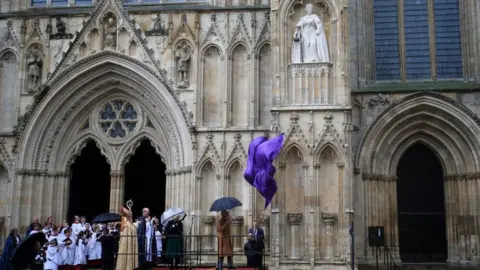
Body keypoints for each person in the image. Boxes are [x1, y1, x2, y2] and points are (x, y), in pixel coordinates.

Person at [116, 205, 138, 270]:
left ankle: (130, 265)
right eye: (128, 213)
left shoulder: (131, 223)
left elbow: (130, 216)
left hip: (131, 242)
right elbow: (122, 231)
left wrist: (129, 209)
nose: (130, 214)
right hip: (125, 242)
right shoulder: (124, 220)